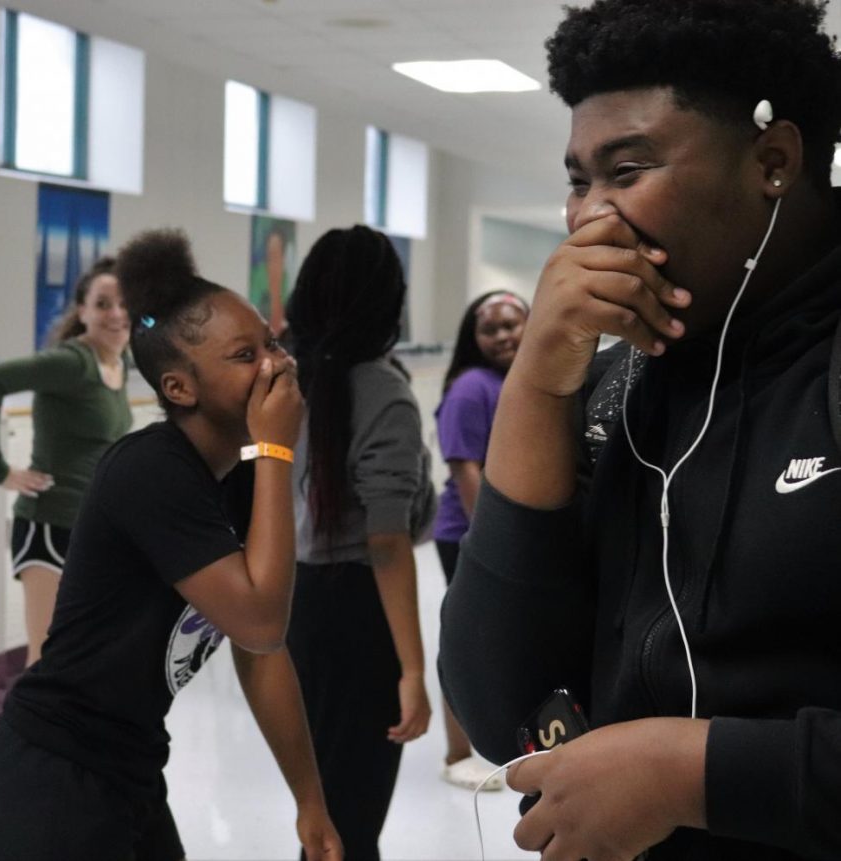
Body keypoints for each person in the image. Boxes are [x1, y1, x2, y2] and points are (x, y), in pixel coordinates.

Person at [439, 1, 841, 859]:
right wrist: (538, 387)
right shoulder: (620, 389)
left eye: (627, 170)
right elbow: (503, 702)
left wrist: (691, 773)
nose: (589, 218)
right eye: (580, 180)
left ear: (772, 161)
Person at [0, 229, 341, 861]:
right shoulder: (150, 471)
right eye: (245, 356)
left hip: (127, 773)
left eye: (271, 342)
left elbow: (260, 651)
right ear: (179, 389)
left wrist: (309, 799)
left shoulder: (239, 479)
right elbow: (263, 619)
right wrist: (276, 448)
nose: (277, 363)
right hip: (46, 783)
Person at [285, 225, 436, 861]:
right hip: (356, 618)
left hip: (298, 607)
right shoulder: (382, 392)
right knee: (350, 822)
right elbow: (386, 542)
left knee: (324, 815)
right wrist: (411, 669)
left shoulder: (283, 382)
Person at [0, 257, 132, 666]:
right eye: (102, 304)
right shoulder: (71, 362)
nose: (115, 314)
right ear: (83, 312)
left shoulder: (118, 365)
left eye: (123, 303)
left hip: (90, 530)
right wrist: (0, 470)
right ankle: (20, 733)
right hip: (47, 526)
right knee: (45, 661)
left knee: (84, 655)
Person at [433, 290, 529, 791]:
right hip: (468, 533)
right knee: (467, 638)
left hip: (506, 531)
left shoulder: (522, 380)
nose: (502, 335)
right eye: (489, 329)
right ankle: (456, 752)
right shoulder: (472, 386)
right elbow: (465, 468)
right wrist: (490, 541)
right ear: (474, 340)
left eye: (512, 324)